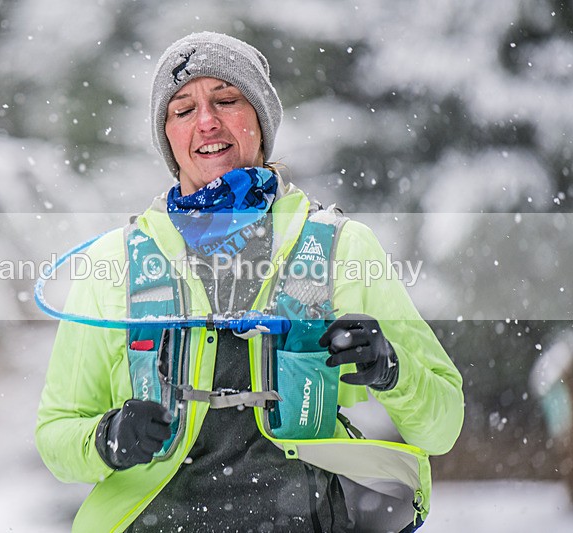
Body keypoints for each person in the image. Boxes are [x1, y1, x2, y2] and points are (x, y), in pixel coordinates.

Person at [36, 31, 464, 533]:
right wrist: (107, 438)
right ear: (168, 137)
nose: (207, 122)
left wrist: (391, 368)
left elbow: (442, 425)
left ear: (260, 120)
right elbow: (56, 433)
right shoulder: (117, 262)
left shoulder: (339, 247)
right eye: (182, 109)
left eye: (226, 99)